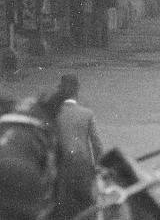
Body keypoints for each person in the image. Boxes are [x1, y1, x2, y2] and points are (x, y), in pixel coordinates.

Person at [55, 73, 104, 220]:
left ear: (60, 91)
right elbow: (97, 145)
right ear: (77, 90)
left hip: (59, 170)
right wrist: (98, 167)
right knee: (89, 207)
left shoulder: (53, 115)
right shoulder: (87, 114)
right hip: (83, 169)